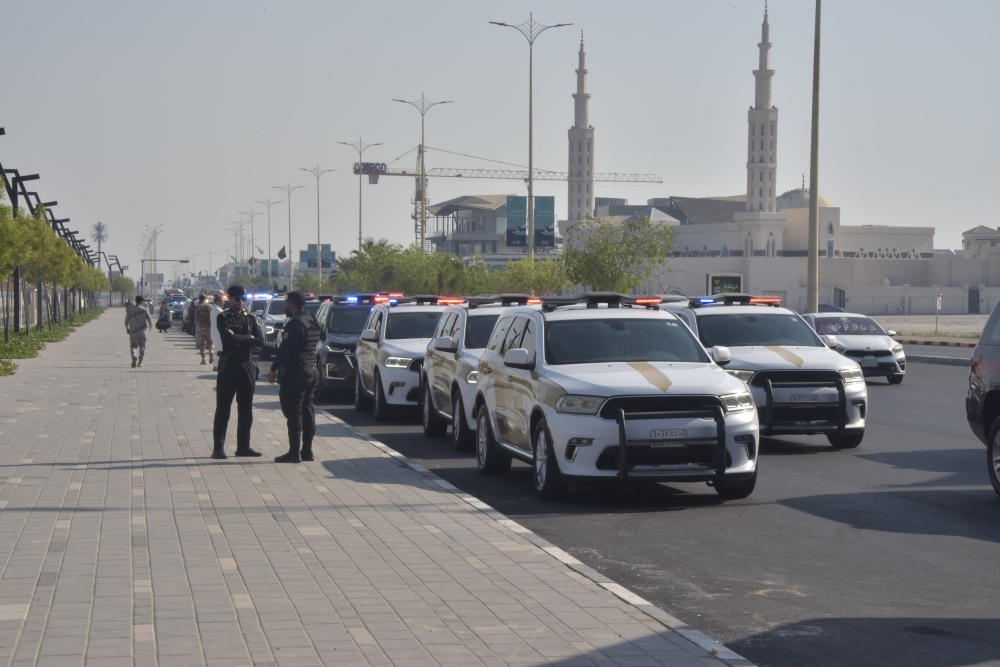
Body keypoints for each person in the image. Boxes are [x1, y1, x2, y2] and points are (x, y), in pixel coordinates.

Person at [268, 291, 321, 463]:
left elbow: (285, 350)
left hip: (297, 373)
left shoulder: (295, 324)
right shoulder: (313, 321)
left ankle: (294, 452)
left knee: (294, 411)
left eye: (286, 305)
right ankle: (307, 451)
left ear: (292, 305)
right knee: (307, 409)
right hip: (312, 371)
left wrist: (273, 368)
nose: (285, 308)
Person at [212, 284, 264, 459]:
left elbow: (260, 340)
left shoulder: (250, 318)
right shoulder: (223, 317)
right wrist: (248, 338)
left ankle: (244, 446)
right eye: (237, 299)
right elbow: (228, 337)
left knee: (246, 407)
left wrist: (243, 339)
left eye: (243, 299)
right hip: (229, 364)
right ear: (229, 298)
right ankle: (218, 447)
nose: (240, 302)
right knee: (223, 408)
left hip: (247, 364)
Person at [125, 295, 153, 368]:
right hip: (143, 332)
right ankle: (140, 362)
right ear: (142, 302)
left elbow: (126, 320)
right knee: (142, 347)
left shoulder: (131, 310)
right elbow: (149, 319)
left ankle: (134, 355)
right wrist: (150, 325)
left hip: (133, 332)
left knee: (133, 346)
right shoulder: (144, 310)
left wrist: (127, 328)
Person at [194, 293, 215, 365]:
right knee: (211, 341)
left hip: (201, 326)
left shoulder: (198, 307)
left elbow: (196, 317)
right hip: (209, 326)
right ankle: (211, 351)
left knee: (202, 343)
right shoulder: (210, 306)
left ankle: (203, 360)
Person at [210, 294, 225, 371]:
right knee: (219, 348)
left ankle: (216, 365)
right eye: (222, 301)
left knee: (218, 348)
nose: (223, 302)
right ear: (218, 301)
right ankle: (216, 366)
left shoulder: (216, 309)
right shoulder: (218, 310)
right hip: (218, 332)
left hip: (215, 331)